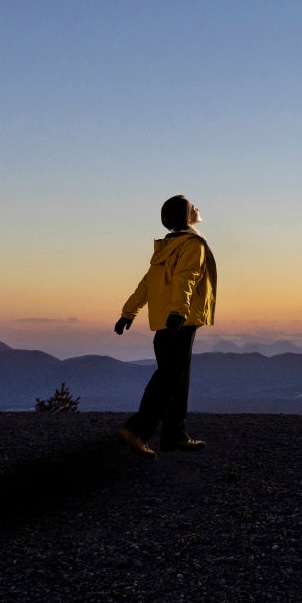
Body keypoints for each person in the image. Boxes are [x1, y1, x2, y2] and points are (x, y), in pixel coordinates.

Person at [113, 195, 217, 457]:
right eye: (193, 207)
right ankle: (137, 431)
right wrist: (180, 311)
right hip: (180, 321)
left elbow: (147, 283)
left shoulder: (166, 247)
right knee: (169, 380)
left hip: (164, 322)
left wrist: (129, 312)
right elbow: (187, 278)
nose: (197, 208)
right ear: (186, 215)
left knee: (177, 379)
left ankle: (174, 434)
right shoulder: (193, 245)